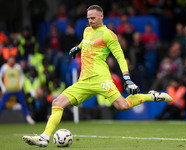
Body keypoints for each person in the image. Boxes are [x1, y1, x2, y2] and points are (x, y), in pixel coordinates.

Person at [22, 5, 172, 147]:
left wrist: (127, 78)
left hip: (101, 79)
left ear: (102, 16)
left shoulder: (108, 35)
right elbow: (86, 42)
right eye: (88, 18)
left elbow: (120, 56)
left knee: (122, 105)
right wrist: (77, 48)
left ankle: (151, 96)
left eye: (93, 18)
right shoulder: (87, 30)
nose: (90, 21)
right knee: (57, 102)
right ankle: (44, 138)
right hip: (84, 80)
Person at [0, 56, 35, 124]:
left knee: (23, 104)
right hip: (7, 90)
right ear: (8, 60)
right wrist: (3, 88)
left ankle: (28, 118)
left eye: (12, 60)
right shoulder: (4, 67)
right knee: (1, 104)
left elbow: (22, 76)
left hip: (17, 90)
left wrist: (20, 86)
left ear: (14, 60)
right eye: (10, 60)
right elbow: (0, 77)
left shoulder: (18, 67)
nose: (11, 61)